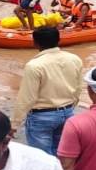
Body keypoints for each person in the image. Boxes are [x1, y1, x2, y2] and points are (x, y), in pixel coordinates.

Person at [11, 27, 83, 156]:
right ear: (59, 40)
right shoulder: (74, 59)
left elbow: (27, 98)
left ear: (35, 43)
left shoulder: (34, 65)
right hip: (67, 112)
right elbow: (78, 88)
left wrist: (14, 123)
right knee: (62, 154)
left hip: (42, 116)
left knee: (41, 158)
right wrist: (70, 107)